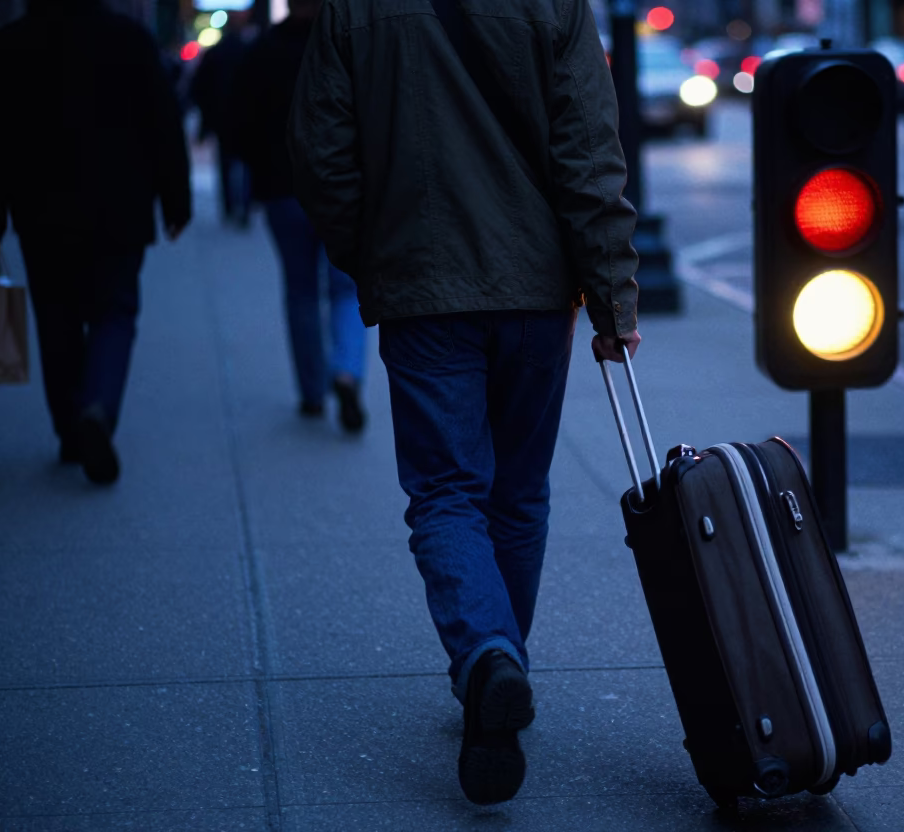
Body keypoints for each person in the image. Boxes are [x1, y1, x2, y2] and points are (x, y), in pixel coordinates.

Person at [288, 0, 641, 805]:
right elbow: (590, 150)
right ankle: (501, 661)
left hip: (423, 286)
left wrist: (372, 253)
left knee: (446, 492)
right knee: (517, 494)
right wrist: (614, 296)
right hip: (535, 289)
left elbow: (320, 154)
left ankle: (488, 655)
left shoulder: (351, 12)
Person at [0, 0, 191, 485]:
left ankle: (69, 427)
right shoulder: (129, 40)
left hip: (41, 211)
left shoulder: (13, 45)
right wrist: (175, 200)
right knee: (114, 312)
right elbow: (164, 123)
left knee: (55, 317)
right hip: (119, 208)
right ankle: (98, 408)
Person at [231, 0, 367, 432]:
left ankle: (312, 391)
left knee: (300, 292)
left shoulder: (264, 50)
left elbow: (241, 123)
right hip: (344, 189)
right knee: (347, 290)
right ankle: (346, 371)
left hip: (283, 188)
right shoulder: (350, 45)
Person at [189, 14, 252, 228]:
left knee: (225, 164)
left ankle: (229, 207)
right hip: (246, 118)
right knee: (246, 163)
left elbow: (199, 87)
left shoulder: (215, 54)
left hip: (222, 117)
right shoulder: (250, 52)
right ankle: (244, 206)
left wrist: (206, 119)